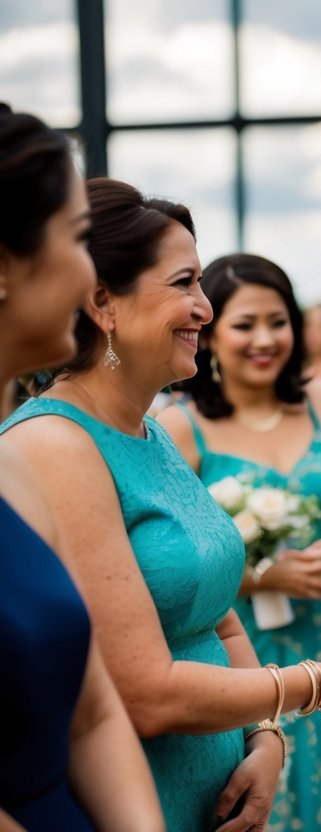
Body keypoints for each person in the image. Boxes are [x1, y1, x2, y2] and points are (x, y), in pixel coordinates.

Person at [0, 177, 321, 832]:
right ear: (104, 304)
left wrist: (266, 739)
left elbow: (220, 617)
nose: (204, 307)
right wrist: (315, 684)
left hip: (222, 792)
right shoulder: (56, 445)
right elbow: (142, 692)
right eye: (184, 283)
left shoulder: (149, 431)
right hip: (139, 800)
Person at [158, 254, 321, 832]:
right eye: (245, 324)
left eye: (278, 322)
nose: (265, 339)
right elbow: (171, 570)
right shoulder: (181, 427)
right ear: (210, 333)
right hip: (247, 654)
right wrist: (263, 576)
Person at [0, 104, 163, 831]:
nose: (93, 272)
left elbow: (94, 713)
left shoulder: (11, 467)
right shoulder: (48, 443)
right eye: (76, 238)